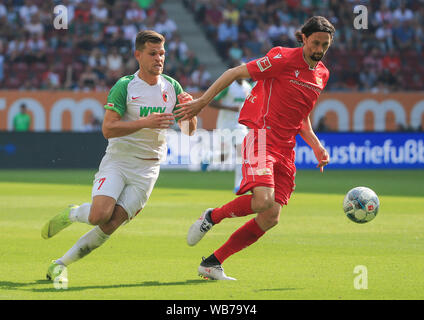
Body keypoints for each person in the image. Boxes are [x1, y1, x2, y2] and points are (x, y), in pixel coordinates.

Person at [175, 16, 334, 280]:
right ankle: (212, 217)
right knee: (262, 201)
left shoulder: (322, 74)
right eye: (315, 43)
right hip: (262, 138)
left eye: (325, 45)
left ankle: (212, 263)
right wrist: (202, 102)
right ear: (304, 38)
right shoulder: (281, 58)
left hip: (286, 148)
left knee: (271, 217)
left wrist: (316, 145)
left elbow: (302, 115)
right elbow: (234, 73)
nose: (319, 50)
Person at [41, 30, 197, 284]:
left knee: (111, 223)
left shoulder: (172, 87)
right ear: (138, 55)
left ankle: (60, 264)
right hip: (119, 160)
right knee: (98, 215)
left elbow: (190, 131)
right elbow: (108, 129)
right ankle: (72, 213)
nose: (159, 59)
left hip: (148, 169)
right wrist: (146, 122)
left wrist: (191, 112)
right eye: (152, 53)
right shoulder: (125, 86)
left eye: (162, 54)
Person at [208, 61, 252, 192]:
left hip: (240, 125)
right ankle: (207, 158)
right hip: (225, 125)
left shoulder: (248, 87)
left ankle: (239, 184)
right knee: (223, 156)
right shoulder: (228, 85)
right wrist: (230, 108)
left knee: (242, 152)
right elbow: (212, 103)